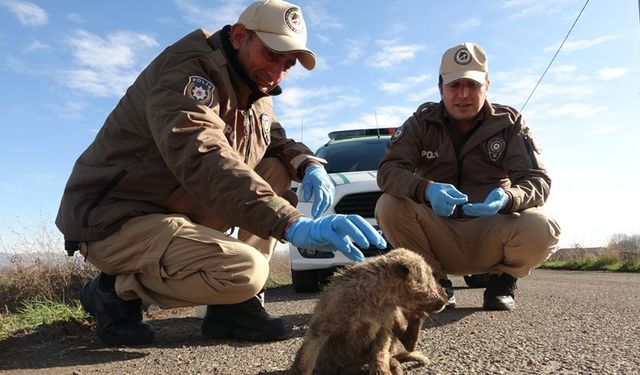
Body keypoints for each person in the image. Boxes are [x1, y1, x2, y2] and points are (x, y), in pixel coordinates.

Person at [56, 0, 386, 346]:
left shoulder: (256, 91)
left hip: (176, 213)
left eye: (287, 65)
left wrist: (308, 164)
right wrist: (290, 222)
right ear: (241, 36)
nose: (276, 73)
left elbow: (274, 140)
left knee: (273, 168)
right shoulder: (187, 71)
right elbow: (202, 154)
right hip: (117, 220)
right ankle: (113, 289)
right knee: (247, 271)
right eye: (272, 55)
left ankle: (233, 307)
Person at [375, 42, 561, 311]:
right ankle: (435, 283)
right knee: (388, 205)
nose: (463, 94)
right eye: (454, 85)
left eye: (472, 85)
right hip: (438, 233)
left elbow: (538, 181)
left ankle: (502, 281)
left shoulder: (509, 123)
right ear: (440, 88)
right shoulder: (420, 122)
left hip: (492, 231)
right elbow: (388, 171)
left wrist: (509, 198)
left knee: (543, 225)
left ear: (487, 84)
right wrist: (425, 189)